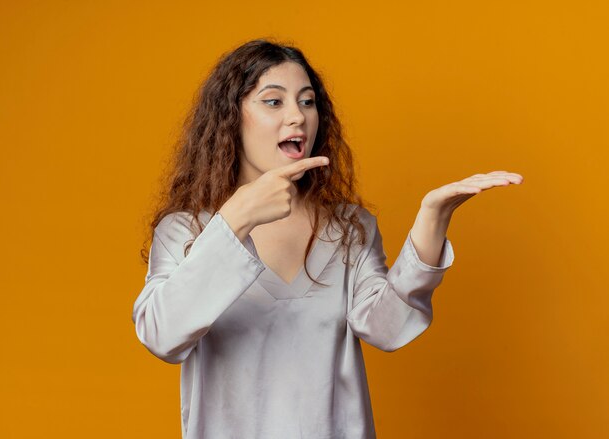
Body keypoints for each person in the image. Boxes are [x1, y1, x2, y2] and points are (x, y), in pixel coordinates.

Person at [131, 39, 523, 439]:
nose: (297, 117)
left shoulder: (349, 229)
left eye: (307, 101)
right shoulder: (186, 232)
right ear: (231, 117)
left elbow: (389, 328)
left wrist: (432, 218)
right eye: (273, 102)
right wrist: (236, 218)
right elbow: (162, 336)